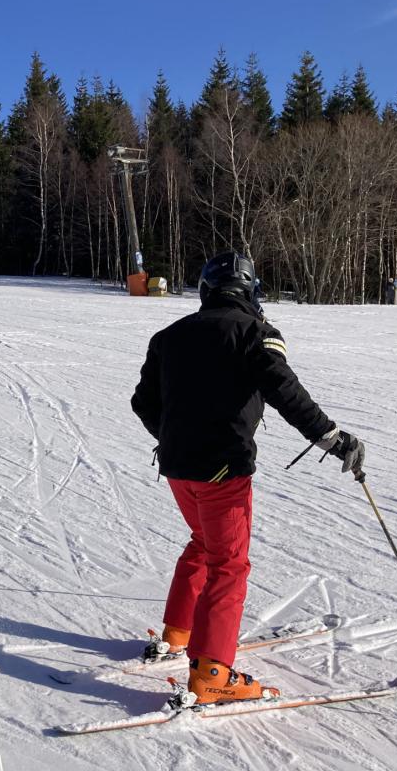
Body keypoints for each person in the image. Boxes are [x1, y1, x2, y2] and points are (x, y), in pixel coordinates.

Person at [131, 251, 364, 706]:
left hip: (177, 466)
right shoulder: (255, 333)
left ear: (206, 290)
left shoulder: (169, 335)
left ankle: (179, 633)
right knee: (229, 564)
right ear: (251, 291)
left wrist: (178, 439)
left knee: (204, 543)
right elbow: (284, 389)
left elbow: (143, 402)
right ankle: (212, 673)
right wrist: (331, 438)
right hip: (222, 470)